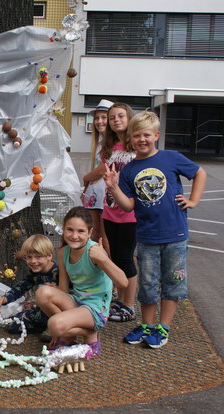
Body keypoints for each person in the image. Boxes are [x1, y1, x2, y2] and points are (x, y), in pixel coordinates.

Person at [103, 111, 207, 348]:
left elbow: (199, 172)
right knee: (148, 284)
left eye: (146, 135)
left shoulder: (171, 158)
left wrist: (193, 200)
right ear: (130, 138)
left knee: (172, 282)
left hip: (175, 235)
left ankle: (163, 327)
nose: (142, 139)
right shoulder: (129, 170)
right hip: (147, 236)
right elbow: (128, 205)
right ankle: (147, 325)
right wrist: (113, 187)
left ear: (156, 135)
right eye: (136, 135)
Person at [36, 207, 128, 356]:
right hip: (77, 301)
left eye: (81, 231)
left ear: (90, 233)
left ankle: (89, 334)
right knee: (41, 292)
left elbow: (123, 283)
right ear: (63, 230)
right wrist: (53, 291)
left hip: (95, 309)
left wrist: (103, 258)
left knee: (53, 325)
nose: (74, 236)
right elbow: (64, 289)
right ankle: (70, 333)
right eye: (70, 230)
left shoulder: (94, 252)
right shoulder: (63, 252)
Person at [100, 103, 139, 324]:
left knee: (126, 258)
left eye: (120, 116)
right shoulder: (110, 148)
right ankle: (121, 300)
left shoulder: (135, 146)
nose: (116, 120)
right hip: (110, 210)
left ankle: (129, 305)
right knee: (115, 257)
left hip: (129, 213)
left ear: (129, 118)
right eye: (112, 117)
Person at [0, 234, 58, 336]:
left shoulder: (59, 271)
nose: (33, 261)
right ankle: (42, 324)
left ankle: (52, 327)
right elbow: (20, 287)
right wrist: (1, 301)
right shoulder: (35, 272)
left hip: (59, 313)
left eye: (38, 257)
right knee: (11, 325)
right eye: (29, 257)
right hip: (41, 312)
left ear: (49, 255)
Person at [80, 99, 113, 245]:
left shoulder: (115, 143)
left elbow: (102, 169)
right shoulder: (100, 143)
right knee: (95, 237)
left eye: (104, 117)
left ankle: (109, 267)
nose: (99, 121)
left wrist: (86, 177)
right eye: (97, 118)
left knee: (106, 239)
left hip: (106, 197)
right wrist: (86, 189)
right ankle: (97, 267)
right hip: (94, 196)